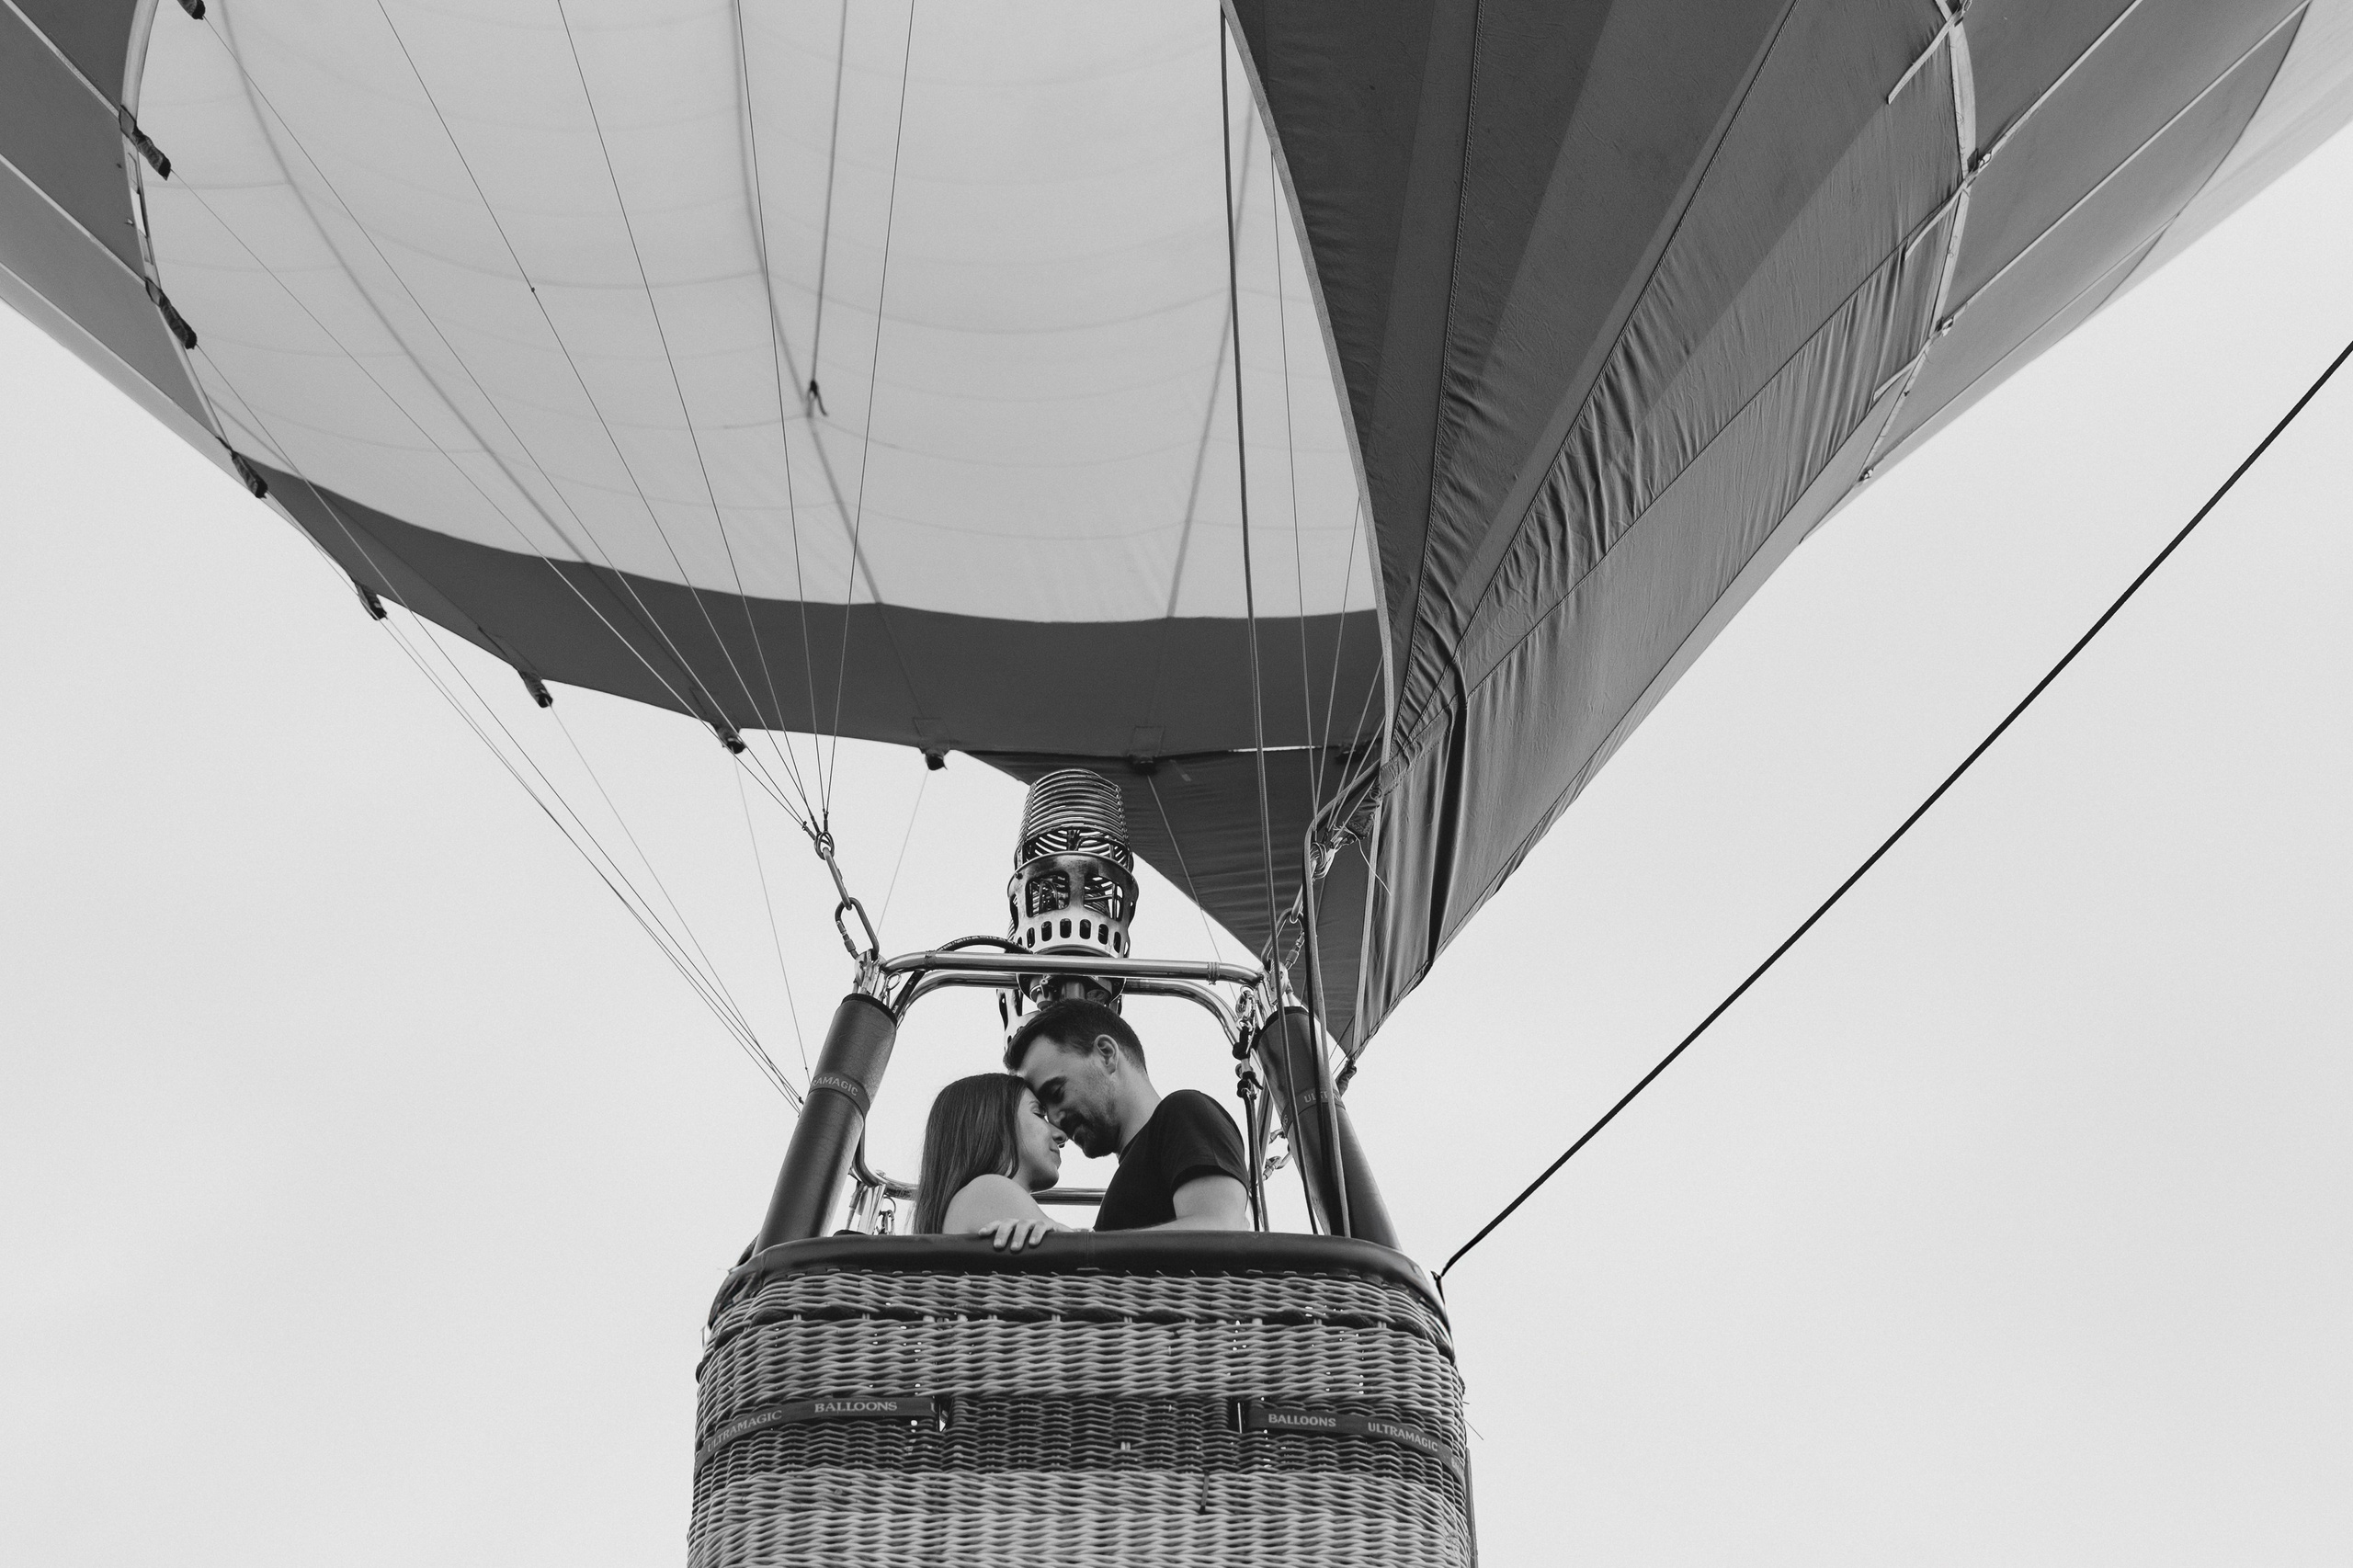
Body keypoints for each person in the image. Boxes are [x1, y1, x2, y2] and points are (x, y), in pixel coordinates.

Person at [1006, 997, 1251, 1232]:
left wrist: (1083, 1244)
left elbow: (1220, 1233)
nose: (1055, 1121)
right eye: (1044, 1110)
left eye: (1057, 1092)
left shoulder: (1184, 1111)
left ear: (1106, 1054)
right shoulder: (1127, 1182)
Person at [911, 1073, 1070, 1251]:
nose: (1061, 1135)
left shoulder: (970, 1200)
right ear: (995, 1123)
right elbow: (1082, 1270)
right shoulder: (988, 1190)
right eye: (1039, 1114)